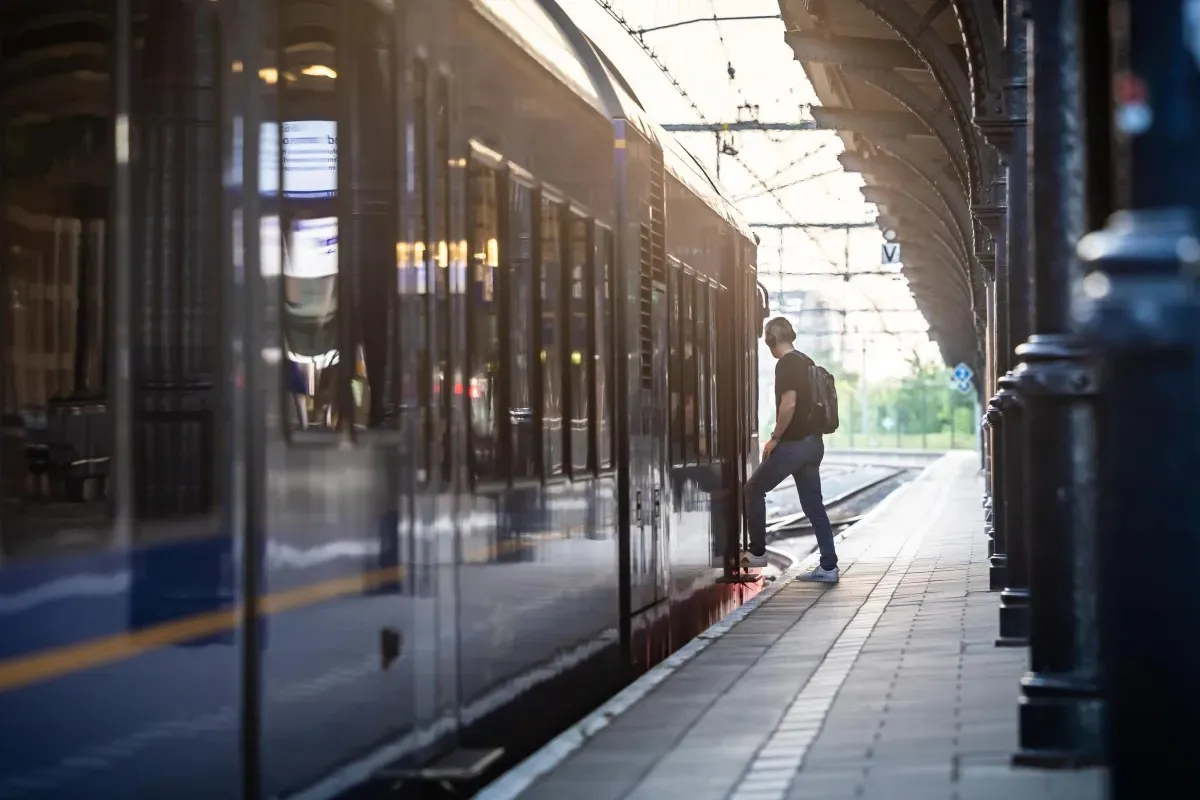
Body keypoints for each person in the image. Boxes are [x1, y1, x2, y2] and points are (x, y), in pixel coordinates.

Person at [743, 316, 838, 582]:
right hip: (813, 444)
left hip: (794, 444)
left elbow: (789, 404)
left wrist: (774, 437)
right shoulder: (806, 360)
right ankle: (829, 567)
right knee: (814, 505)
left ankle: (757, 553)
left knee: (753, 489)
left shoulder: (786, 365)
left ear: (771, 339)